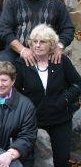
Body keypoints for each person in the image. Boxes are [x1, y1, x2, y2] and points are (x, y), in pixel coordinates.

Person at [15, 24, 81, 167]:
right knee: (32, 161)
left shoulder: (61, 61)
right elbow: (16, 91)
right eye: (34, 42)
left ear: (51, 44)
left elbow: (78, 84)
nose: (37, 45)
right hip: (34, 121)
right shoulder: (22, 63)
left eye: (42, 42)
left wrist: (65, 99)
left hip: (60, 118)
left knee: (61, 160)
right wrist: (27, 108)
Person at [0, 0, 74, 64]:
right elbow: (4, 29)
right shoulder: (13, 2)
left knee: (65, 73)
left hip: (49, 53)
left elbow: (68, 29)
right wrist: (22, 50)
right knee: (1, 68)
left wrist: (59, 47)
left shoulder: (55, 3)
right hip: (17, 51)